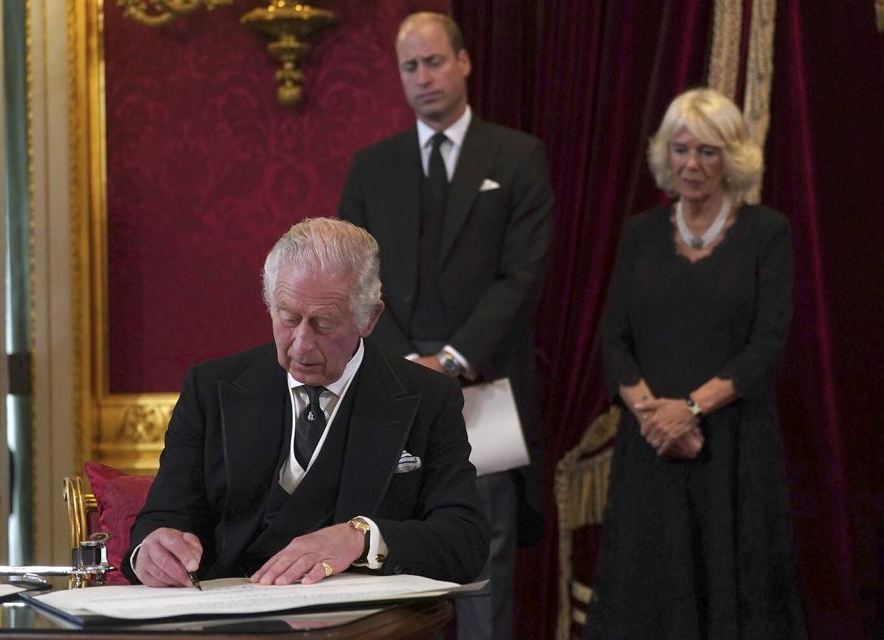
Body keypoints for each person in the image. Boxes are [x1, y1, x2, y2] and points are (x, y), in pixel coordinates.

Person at [122, 217, 489, 587]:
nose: (300, 344)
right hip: (230, 615)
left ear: (370, 317)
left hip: (360, 623)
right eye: (288, 317)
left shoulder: (427, 397)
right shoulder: (211, 388)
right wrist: (151, 551)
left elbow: (465, 541)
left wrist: (361, 538)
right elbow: (164, 517)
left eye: (324, 323)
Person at [338, 11, 553, 639]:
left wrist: (452, 361)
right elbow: (350, 282)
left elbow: (522, 277)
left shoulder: (517, 156)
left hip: (483, 395)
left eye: (435, 62)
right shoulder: (371, 168)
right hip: (391, 393)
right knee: (386, 567)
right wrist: (409, 367)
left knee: (485, 570)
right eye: (411, 66)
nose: (424, 77)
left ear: (463, 62)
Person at [585, 88, 805, 639]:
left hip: (732, 448)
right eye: (681, 149)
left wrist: (690, 409)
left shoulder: (767, 233)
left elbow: (767, 344)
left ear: (731, 158)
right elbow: (613, 338)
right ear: (665, 155)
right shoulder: (639, 234)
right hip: (651, 445)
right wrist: (654, 418)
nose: (692, 164)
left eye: (708, 151)